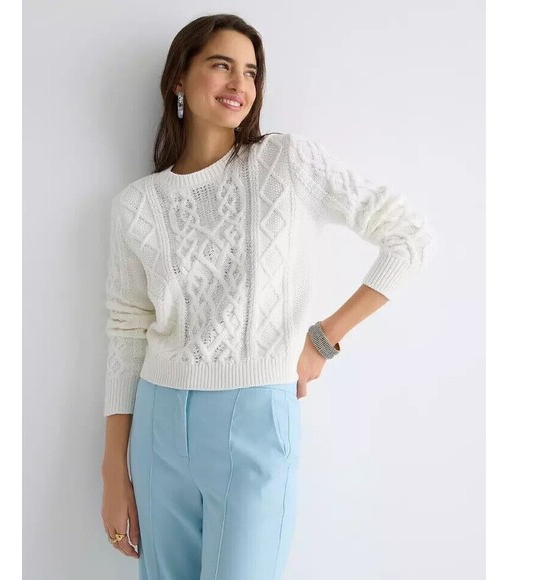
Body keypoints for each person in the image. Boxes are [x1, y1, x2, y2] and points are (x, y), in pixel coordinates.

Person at [100, 13, 437, 580]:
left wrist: (324, 339)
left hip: (255, 417)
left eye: (251, 72)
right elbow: (126, 330)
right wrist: (114, 471)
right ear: (179, 77)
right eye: (221, 65)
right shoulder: (138, 204)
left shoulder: (288, 163)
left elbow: (410, 238)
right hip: (157, 424)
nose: (240, 84)